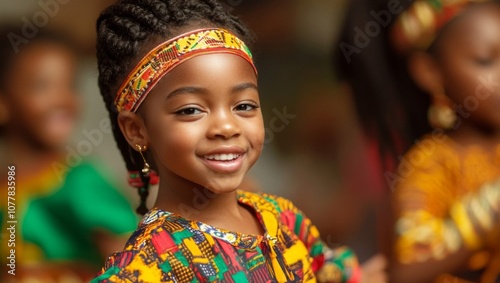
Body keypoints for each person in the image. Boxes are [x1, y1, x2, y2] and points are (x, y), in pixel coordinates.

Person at [89, 0, 380, 282]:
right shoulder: (152, 265)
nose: (226, 127)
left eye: (244, 106)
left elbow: (326, 269)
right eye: (191, 110)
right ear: (136, 130)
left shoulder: (281, 216)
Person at [335, 0, 500, 282]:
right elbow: (406, 271)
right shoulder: (431, 165)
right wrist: (487, 218)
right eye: (486, 61)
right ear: (429, 71)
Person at [0, 27, 138, 282]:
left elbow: (133, 265)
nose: (63, 98)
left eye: (70, 85)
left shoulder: (79, 180)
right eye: (42, 86)